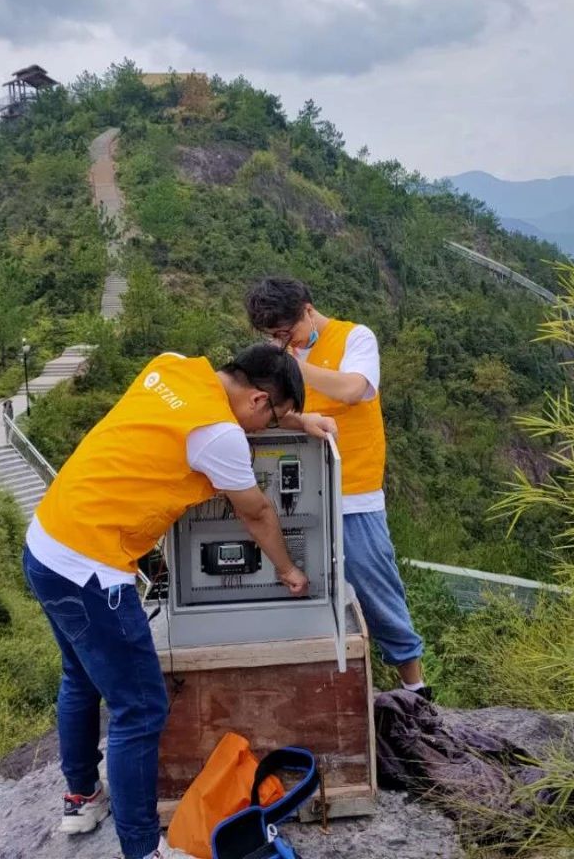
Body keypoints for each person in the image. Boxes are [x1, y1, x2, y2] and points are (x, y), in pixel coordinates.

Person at [23, 344, 315, 859]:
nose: (263, 431)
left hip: (46, 543)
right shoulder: (221, 434)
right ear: (257, 400)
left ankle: (81, 797)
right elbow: (258, 513)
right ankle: (142, 850)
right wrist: (290, 571)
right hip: (92, 569)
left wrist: (302, 420)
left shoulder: (171, 365)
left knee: (79, 677)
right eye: (273, 419)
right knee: (140, 707)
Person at [244, 278, 430, 700]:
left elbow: (353, 389)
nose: (280, 341)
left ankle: (415, 686)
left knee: (375, 585)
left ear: (307, 311)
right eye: (272, 336)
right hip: (300, 491)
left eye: (284, 332)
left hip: (355, 492)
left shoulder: (355, 337)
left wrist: (292, 368)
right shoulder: (284, 351)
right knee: (300, 584)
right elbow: (277, 414)